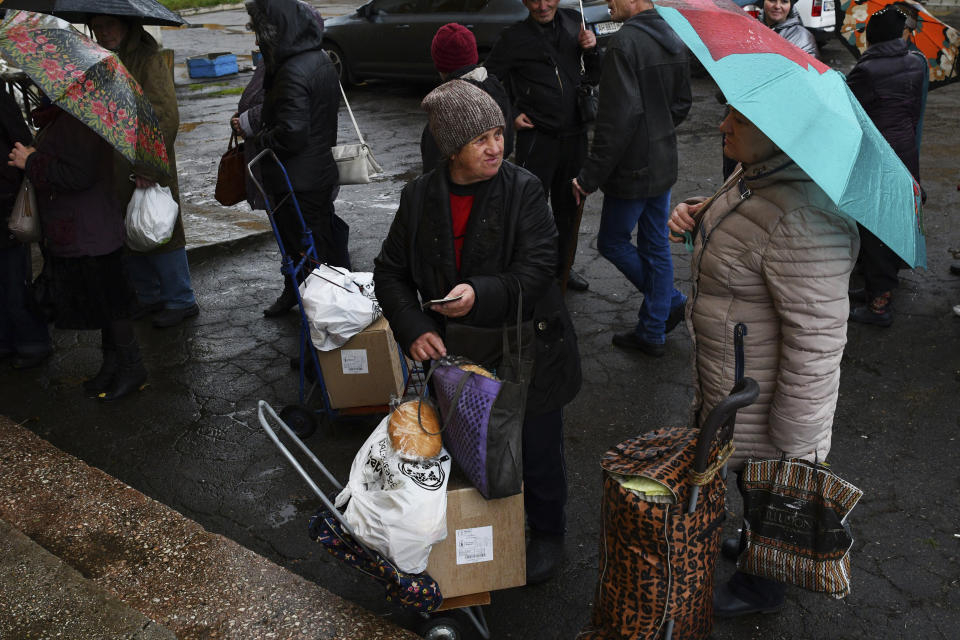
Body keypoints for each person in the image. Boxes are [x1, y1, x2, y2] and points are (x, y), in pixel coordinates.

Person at [373, 80, 582, 584]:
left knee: (536, 446)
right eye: (481, 139)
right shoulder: (419, 197)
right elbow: (390, 272)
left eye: (498, 133)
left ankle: (548, 531)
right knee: (475, 448)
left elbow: (538, 269)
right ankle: (487, 531)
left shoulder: (524, 189)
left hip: (530, 345)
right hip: (459, 354)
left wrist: (479, 293)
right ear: (451, 149)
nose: (496, 147)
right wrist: (414, 326)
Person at [667, 106, 859, 617]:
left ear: (781, 131)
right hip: (732, 379)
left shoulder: (806, 216)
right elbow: (740, 226)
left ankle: (763, 586)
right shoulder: (754, 173)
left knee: (772, 484)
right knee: (749, 481)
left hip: (766, 396)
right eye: (728, 114)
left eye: (741, 121)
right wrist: (693, 213)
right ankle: (756, 544)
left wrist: (798, 441)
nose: (723, 126)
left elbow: (817, 340)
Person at [571, 0, 692, 358]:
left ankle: (666, 304)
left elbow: (614, 122)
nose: (607, 1)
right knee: (655, 245)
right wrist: (657, 133)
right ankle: (656, 323)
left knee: (613, 242)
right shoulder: (674, 34)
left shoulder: (625, 44)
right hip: (661, 160)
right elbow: (681, 104)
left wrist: (588, 178)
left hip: (634, 168)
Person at [8, 100, 148, 401]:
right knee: (104, 302)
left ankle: (131, 368)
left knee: (112, 304)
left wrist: (31, 162)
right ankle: (112, 366)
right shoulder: (70, 114)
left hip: (89, 228)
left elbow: (79, 174)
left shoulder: (80, 117)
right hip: (83, 227)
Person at [89, 15, 199, 329]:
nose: (103, 30)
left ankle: (181, 300)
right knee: (132, 228)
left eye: (108, 24)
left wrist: (147, 166)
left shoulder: (147, 60)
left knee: (160, 228)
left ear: (126, 24)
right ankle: (149, 296)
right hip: (117, 164)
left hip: (146, 163)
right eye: (97, 26)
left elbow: (165, 116)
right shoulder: (105, 59)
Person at [485, 0, 599, 292]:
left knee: (569, 208)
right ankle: (531, 274)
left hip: (574, 136)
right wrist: (509, 114)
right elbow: (488, 81)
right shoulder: (513, 37)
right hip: (538, 139)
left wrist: (592, 49)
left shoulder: (576, 22)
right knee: (529, 209)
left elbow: (595, 75)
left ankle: (563, 269)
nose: (541, 5)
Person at [245, 0, 350, 318]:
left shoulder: (292, 70)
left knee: (311, 262)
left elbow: (291, 135)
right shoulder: (316, 58)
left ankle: (323, 340)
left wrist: (262, 136)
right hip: (315, 177)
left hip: (297, 184)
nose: (257, 41)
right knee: (320, 255)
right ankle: (326, 332)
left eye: (260, 34)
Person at [846, 7, 926, 327]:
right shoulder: (916, 62)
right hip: (904, 149)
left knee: (874, 226)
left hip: (878, 154)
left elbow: (851, 113)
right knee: (892, 218)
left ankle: (879, 305)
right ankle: (874, 289)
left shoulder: (868, 70)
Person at [0, 91, 52, 370]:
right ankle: (6, 341)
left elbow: (20, 138)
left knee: (13, 276)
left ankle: (33, 341)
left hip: (4, 199)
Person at [420, 23, 514, 174]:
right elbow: (507, 143)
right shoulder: (494, 85)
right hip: (496, 180)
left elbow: (434, 163)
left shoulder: (445, 102)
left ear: (439, 63)